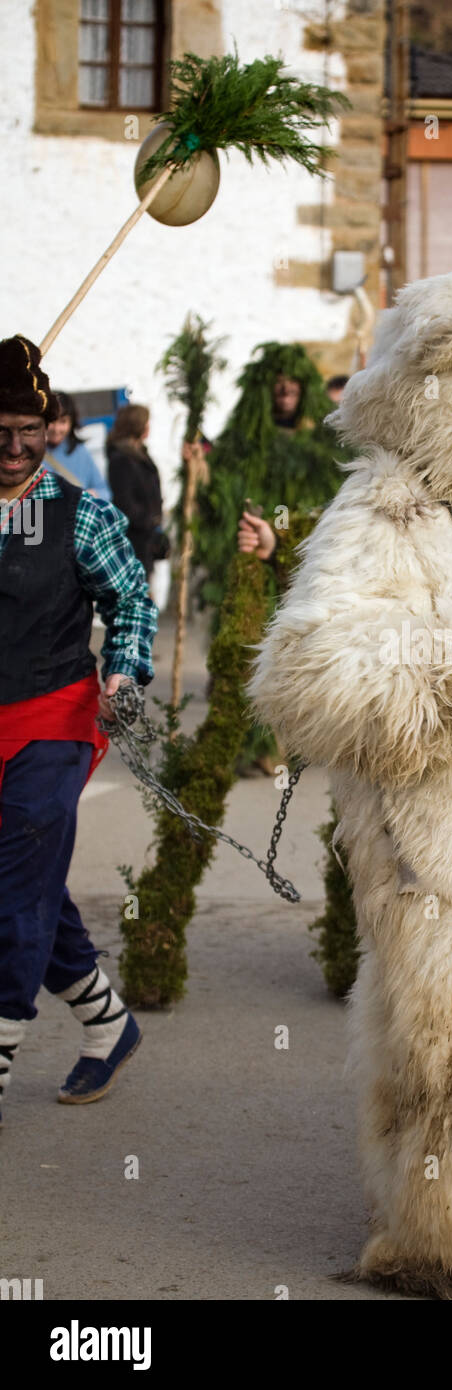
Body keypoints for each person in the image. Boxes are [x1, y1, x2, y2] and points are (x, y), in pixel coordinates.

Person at [0, 335, 157, 1122]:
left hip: (54, 721)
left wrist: (126, 669)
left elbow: (130, 600)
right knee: (23, 881)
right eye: (0, 430)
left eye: (29, 430)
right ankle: (107, 1023)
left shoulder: (79, 513)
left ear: (51, 427)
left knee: (17, 866)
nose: (16, 446)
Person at [106, 404, 167, 579]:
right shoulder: (121, 459)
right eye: (145, 423)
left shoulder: (140, 453)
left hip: (147, 537)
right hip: (134, 540)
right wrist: (148, 520)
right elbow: (124, 502)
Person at [45, 390, 111, 502]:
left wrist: (91, 495)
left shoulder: (80, 452)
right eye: (52, 421)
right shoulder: (29, 454)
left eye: (63, 421)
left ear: (72, 422)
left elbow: (105, 492)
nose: (56, 429)